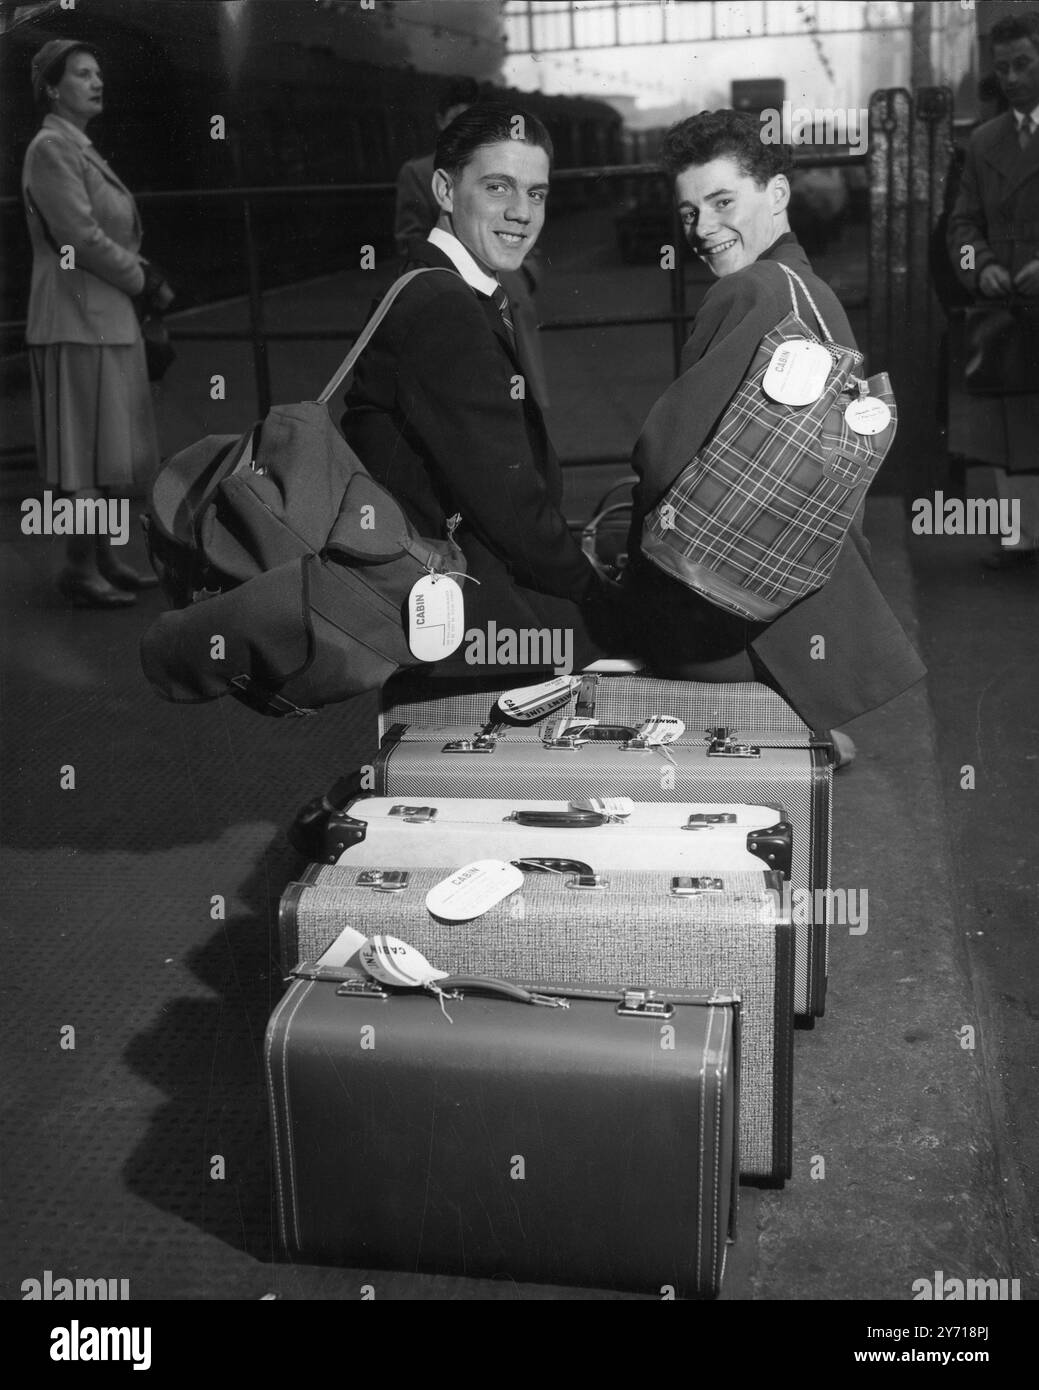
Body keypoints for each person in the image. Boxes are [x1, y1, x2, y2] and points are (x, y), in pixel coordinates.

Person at [625, 110, 926, 752]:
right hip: (802, 608)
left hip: (727, 617)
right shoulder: (809, 289)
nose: (702, 228)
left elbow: (663, 458)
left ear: (778, 194)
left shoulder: (752, 291)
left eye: (722, 200)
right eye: (688, 213)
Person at [343, 103, 624, 674]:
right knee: (642, 652)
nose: (522, 213)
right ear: (445, 190)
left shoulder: (438, 284)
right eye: (498, 188)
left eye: (537, 194)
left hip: (452, 587)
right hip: (469, 611)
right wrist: (596, 592)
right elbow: (508, 502)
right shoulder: (444, 307)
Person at [22, 39, 166, 607]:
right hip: (74, 318)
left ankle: (104, 556)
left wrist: (136, 278)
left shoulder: (75, 147)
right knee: (84, 451)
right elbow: (79, 238)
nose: (96, 81)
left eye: (98, 72)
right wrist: (143, 280)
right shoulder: (50, 149)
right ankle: (79, 566)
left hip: (102, 318)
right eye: (83, 74)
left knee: (109, 450)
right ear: (53, 88)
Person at [946, 11, 1039, 570]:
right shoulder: (984, 143)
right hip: (1006, 306)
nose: (1011, 77)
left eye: (1024, 63)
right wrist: (978, 268)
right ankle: (1024, 538)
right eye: (1002, 67)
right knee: (1010, 424)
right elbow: (961, 227)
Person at [394, 79, 551, 407]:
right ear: (440, 121)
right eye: (456, 118)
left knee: (524, 390)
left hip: (510, 293)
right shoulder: (417, 171)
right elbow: (408, 238)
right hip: (456, 285)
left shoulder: (510, 162)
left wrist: (524, 276)